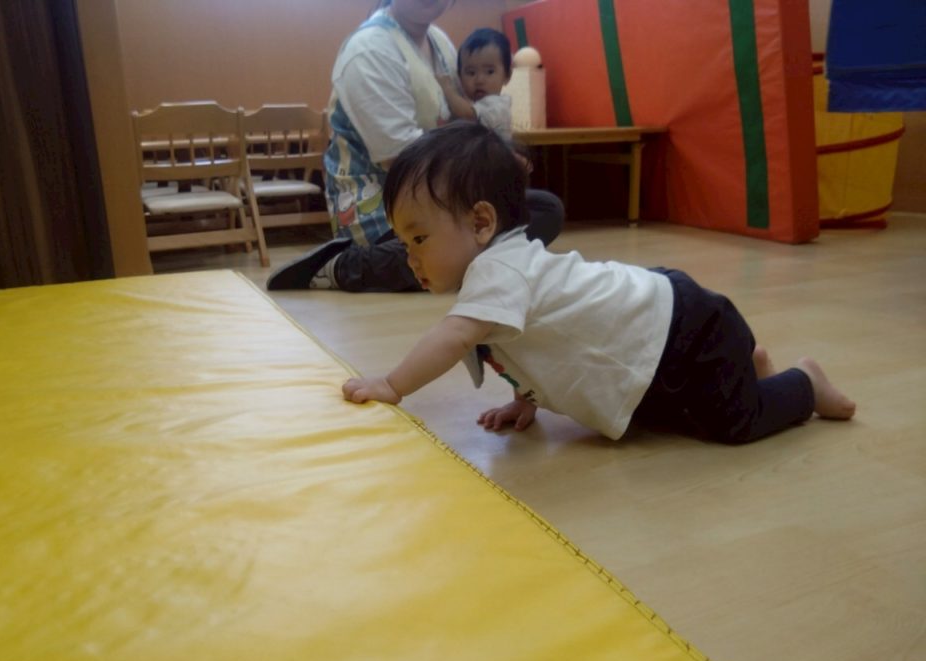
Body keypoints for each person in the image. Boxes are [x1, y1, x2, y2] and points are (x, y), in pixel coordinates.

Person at [342, 121, 857, 444]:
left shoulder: (499, 270)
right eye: (404, 243)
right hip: (662, 322)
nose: (410, 257)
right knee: (662, 417)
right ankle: (749, 367)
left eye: (419, 238)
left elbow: (454, 337)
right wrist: (525, 400)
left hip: (685, 325)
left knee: (731, 424)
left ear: (481, 222)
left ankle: (804, 384)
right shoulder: (499, 271)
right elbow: (529, 340)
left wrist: (392, 385)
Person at [266, 0, 564, 293]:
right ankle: (345, 265)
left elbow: (460, 123)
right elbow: (399, 158)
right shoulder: (369, 49)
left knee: (543, 209)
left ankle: (463, 262)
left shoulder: (440, 42)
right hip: (385, 206)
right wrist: (490, 167)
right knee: (446, 246)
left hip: (444, 195)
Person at [436, 27, 513, 140]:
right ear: (459, 77)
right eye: (471, 73)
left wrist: (448, 89)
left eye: (489, 72)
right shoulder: (472, 103)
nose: (479, 80)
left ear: (507, 76)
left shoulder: (498, 106)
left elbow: (468, 115)